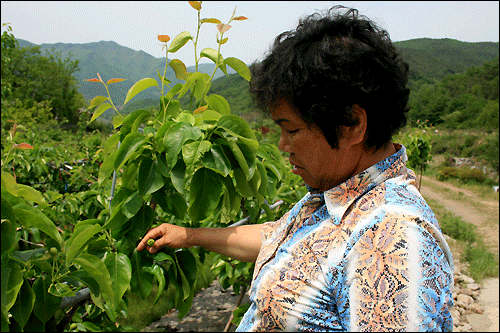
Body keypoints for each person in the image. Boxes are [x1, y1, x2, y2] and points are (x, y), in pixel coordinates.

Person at [137, 5, 454, 332]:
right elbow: (282, 238)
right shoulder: (340, 198)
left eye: (292, 130)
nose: (282, 146)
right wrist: (189, 236)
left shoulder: (391, 242)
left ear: (352, 124)